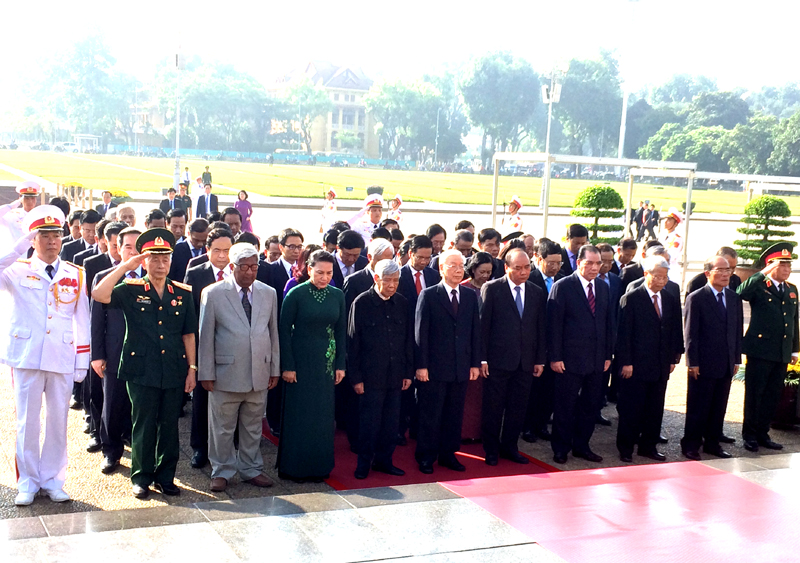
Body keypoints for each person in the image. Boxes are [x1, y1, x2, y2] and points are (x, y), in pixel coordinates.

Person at [92, 228, 197, 500]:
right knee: (143, 424)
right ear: (144, 261)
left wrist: (192, 369)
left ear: (172, 261)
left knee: (169, 426)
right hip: (141, 369)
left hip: (173, 368)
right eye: (154, 259)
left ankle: (166, 477)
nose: (160, 264)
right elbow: (100, 295)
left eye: (165, 259)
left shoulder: (182, 293)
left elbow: (188, 334)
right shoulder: (130, 289)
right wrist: (125, 266)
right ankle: (141, 477)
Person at [0, 205, 90, 506]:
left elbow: (82, 319)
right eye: (45, 236)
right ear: (33, 239)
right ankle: (27, 481)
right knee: (27, 422)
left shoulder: (75, 273)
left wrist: (81, 361)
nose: (53, 241)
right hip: (27, 355)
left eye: (57, 235)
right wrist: (18, 246)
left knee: (58, 421)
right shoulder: (18, 269)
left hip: (61, 355)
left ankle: (53, 479)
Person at [199, 243, 279, 492]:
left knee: (253, 426)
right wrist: (206, 373)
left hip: (259, 372)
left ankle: (251, 468)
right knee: (222, 427)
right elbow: (206, 336)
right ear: (231, 267)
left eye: (255, 266)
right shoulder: (213, 293)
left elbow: (272, 332)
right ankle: (221, 470)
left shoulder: (269, 293)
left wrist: (274, 367)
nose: (250, 272)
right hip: (225, 373)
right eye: (244, 267)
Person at [278, 250, 346, 482]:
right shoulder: (296, 294)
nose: (324, 277)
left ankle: (320, 467)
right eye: (319, 272)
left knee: (322, 415)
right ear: (309, 269)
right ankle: (294, 467)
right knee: (300, 414)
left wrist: (340, 364)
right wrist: (288, 365)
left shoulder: (337, 295)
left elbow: (341, 331)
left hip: (325, 364)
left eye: (329, 273)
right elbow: (283, 331)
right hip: (300, 362)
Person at [414, 250, 481, 474]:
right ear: (442, 268)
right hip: (434, 367)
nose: (458, 269)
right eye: (453, 265)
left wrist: (474, 363)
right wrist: (421, 366)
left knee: (454, 414)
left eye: (461, 265)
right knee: (431, 414)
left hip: (460, 366)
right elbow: (421, 333)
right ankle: (426, 456)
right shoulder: (429, 295)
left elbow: (474, 332)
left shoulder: (470, 296)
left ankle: (448, 454)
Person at [480, 249, 546, 466]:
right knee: (493, 407)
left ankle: (510, 446)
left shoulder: (536, 292)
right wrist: (483, 359)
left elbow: (540, 328)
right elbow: (484, 327)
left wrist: (539, 359)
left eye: (527, 267)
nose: (523, 272)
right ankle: (490, 449)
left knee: (518, 408)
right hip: (497, 361)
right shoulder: (492, 289)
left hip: (525, 361)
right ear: (507, 268)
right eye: (518, 268)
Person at [548, 245, 614, 464]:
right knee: (565, 406)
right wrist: (555, 357)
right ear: (578, 263)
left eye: (598, 263)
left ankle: (582, 445)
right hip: (569, 360)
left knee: (590, 405)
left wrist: (607, 355)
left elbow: (607, 323)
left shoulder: (604, 288)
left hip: (596, 360)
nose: (595, 268)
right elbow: (554, 325)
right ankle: (560, 448)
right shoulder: (563, 286)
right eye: (590, 263)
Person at [348, 259, 413, 479]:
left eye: (396, 280)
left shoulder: (402, 303)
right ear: (377, 279)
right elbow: (353, 342)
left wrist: (407, 372)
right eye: (388, 280)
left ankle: (385, 461)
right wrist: (355, 377)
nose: (393, 285)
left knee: (391, 423)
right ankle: (364, 463)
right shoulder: (362, 302)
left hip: (395, 375)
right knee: (369, 424)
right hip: (370, 375)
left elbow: (407, 341)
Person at [615, 256, 684, 463]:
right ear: (647, 274)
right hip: (636, 364)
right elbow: (624, 333)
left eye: (665, 277)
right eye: (658, 276)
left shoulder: (670, 298)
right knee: (631, 408)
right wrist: (626, 362)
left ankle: (648, 446)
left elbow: (674, 329)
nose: (662, 281)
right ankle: (626, 447)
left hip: (660, 363)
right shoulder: (632, 298)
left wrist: (674, 356)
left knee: (655, 408)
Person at [737, 243, 799, 452]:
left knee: (772, 395)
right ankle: (750, 435)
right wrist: (761, 273)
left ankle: (763, 433)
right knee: (756, 394)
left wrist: (793, 349)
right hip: (760, 350)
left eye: (788, 265)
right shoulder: (760, 286)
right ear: (771, 266)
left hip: (781, 351)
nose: (787, 269)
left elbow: (794, 321)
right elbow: (741, 293)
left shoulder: (792, 289)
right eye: (782, 265)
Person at [682, 255, 744, 461]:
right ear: (708, 273)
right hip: (703, 363)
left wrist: (736, 359)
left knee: (719, 407)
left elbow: (736, 331)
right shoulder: (697, 297)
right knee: (698, 406)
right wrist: (693, 362)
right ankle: (691, 444)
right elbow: (690, 334)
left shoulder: (734, 298)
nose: (727, 274)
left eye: (729, 271)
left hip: (725, 362)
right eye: (721, 270)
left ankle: (712, 443)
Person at [90, 225, 140, 475]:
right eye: (127, 246)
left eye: (137, 246)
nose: (133, 251)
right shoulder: (104, 277)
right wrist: (97, 355)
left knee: (139, 406)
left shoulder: (153, 275)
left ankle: (139, 448)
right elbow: (97, 321)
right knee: (112, 403)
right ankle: (111, 452)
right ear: (118, 249)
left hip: (144, 354)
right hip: (114, 353)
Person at [184, 227, 235, 469]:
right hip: (204, 347)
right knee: (202, 400)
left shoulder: (240, 273)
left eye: (227, 251)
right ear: (208, 250)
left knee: (232, 399)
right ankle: (200, 448)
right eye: (217, 250)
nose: (223, 256)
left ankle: (228, 448)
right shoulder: (195, 274)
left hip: (233, 349)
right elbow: (188, 314)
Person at [523, 238, 564, 443]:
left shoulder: (564, 281)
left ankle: (541, 424)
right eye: (551, 262)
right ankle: (528, 426)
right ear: (539, 259)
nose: (555, 267)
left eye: (559, 263)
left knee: (550, 390)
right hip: (534, 345)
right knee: (532, 391)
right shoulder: (529, 280)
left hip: (556, 347)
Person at [0, 181, 41, 246]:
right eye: (26, 198)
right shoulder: (12, 215)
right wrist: (11, 206)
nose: (30, 201)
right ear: (20, 199)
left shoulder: (40, 215)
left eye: (32, 198)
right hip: (17, 254)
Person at [169, 218, 209, 282]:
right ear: (188, 233)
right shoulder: (177, 250)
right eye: (196, 240)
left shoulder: (208, 251)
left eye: (204, 241)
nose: (200, 244)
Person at [658, 207, 683, 283]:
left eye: (669, 220)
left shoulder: (677, 239)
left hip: (670, 270)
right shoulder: (662, 235)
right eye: (666, 219)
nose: (666, 222)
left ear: (675, 224)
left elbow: (671, 255)